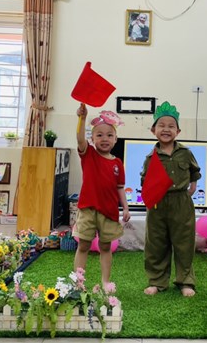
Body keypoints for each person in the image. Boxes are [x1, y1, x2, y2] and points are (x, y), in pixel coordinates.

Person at [141, 101, 201, 297]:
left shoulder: (185, 153)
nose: (166, 129)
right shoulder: (150, 158)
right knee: (156, 243)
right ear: (153, 130)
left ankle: (185, 282)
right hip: (157, 204)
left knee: (184, 243)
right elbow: (144, 181)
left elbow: (195, 171)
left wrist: (192, 187)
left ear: (178, 131)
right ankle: (157, 281)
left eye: (171, 126)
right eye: (161, 125)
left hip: (181, 202)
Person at [74, 104, 131, 287]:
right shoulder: (88, 154)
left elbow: (120, 188)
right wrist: (82, 118)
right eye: (99, 135)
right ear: (92, 139)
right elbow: (79, 139)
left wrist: (126, 207)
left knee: (105, 247)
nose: (104, 139)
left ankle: (106, 281)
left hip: (109, 211)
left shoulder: (117, 163)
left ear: (115, 139)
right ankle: (79, 282)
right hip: (88, 209)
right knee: (83, 245)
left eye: (109, 135)